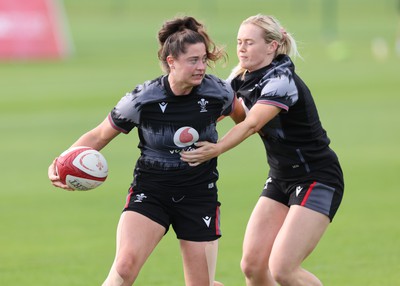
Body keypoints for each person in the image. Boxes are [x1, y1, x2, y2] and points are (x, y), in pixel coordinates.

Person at [48, 16, 244, 286]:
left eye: (203, 59)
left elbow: (245, 122)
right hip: (152, 192)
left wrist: (217, 145)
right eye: (193, 60)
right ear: (171, 61)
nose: (201, 67)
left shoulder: (218, 92)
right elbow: (99, 134)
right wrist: (61, 162)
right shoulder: (143, 98)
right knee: (124, 267)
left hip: (199, 195)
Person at [181, 14, 344, 286]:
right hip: (281, 177)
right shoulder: (240, 79)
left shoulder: (282, 80)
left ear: (272, 46)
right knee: (253, 266)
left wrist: (216, 149)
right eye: (239, 42)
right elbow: (218, 112)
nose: (242, 48)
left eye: (249, 42)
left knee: (283, 269)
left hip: (317, 177)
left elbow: (252, 124)